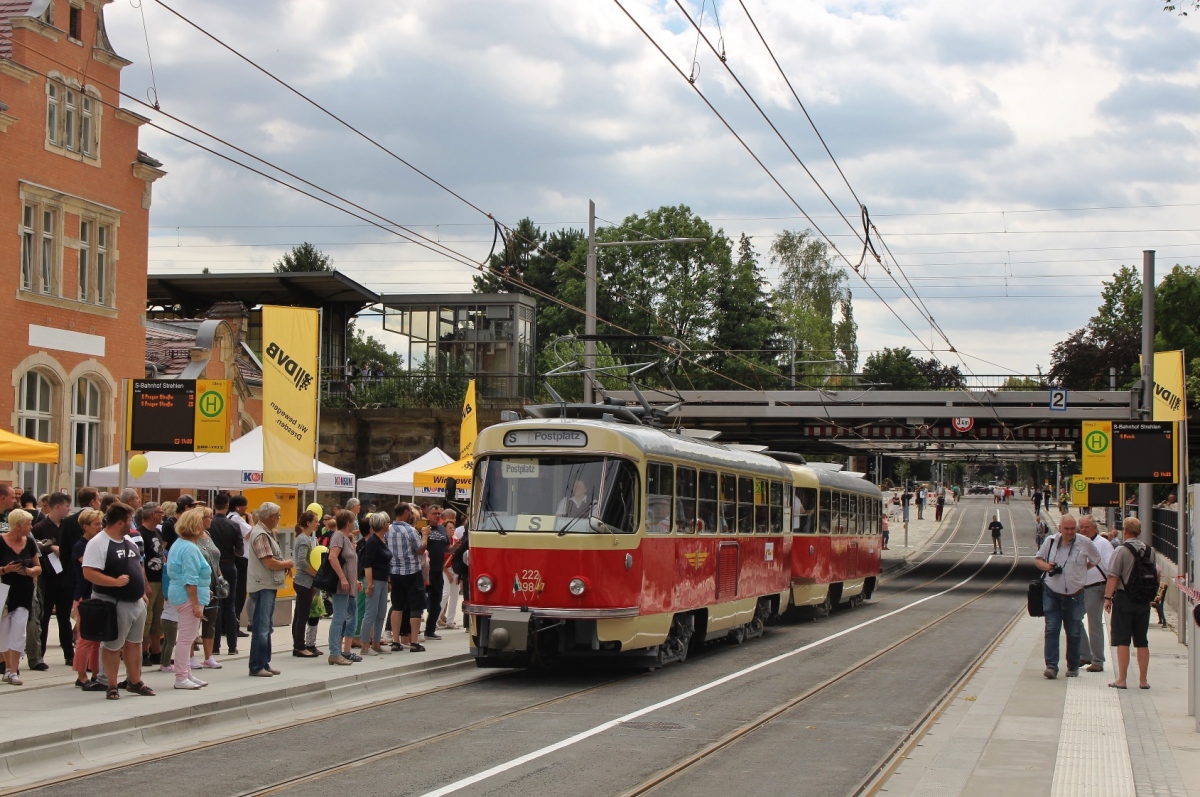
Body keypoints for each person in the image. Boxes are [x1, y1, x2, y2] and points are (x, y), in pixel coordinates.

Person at [82, 503, 155, 699]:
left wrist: (143, 591)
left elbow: (138, 565)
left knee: (135, 643)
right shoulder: (98, 543)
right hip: (113, 601)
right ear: (120, 522)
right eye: (130, 520)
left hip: (136, 602)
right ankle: (111, 684)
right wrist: (114, 582)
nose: (132, 524)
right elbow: (89, 572)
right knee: (113, 645)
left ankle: (134, 680)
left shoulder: (129, 541)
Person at [1035, 515, 1100, 679]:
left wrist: (1081, 571)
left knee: (1073, 632)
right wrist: (1047, 567)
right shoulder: (1050, 541)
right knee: (1051, 629)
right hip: (1052, 592)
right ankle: (1051, 666)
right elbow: (1037, 559)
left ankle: (1072, 666)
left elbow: (1096, 559)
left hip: (1075, 595)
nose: (1070, 532)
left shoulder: (1084, 542)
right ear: (1060, 528)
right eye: (1067, 529)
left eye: (1073, 529)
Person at [1104, 517, 1153, 689]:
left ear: (1125, 530)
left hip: (1125, 598)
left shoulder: (1121, 550)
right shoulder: (1149, 550)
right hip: (1143, 600)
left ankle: (1122, 680)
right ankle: (1143, 680)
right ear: (1139, 532)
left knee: (1123, 640)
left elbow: (1113, 576)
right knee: (1142, 640)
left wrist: (1108, 598)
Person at [165, 509, 211, 690]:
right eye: (200, 522)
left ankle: (186, 673)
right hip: (188, 596)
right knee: (186, 637)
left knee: (188, 636)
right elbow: (190, 578)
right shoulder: (190, 548)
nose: (204, 525)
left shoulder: (180, 543)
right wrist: (195, 604)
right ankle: (181, 676)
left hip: (182, 593)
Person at [246, 502, 293, 677]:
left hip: (267, 584)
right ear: (271, 516)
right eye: (279, 516)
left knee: (266, 626)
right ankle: (257, 665)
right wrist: (286, 563)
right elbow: (269, 562)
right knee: (262, 627)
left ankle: (264, 663)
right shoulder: (261, 535)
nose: (279, 519)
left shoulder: (264, 533)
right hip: (263, 585)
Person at [1, 509, 42, 685]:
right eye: (28, 524)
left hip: (24, 591)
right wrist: (5, 569)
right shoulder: (1, 541)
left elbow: (39, 567)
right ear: (18, 525)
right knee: (3, 632)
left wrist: (30, 571)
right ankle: (7, 667)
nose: (31, 527)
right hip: (3, 591)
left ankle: (12, 670)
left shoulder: (30, 542)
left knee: (19, 631)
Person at [32, 492, 72, 666]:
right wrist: (50, 548)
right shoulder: (40, 527)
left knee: (64, 617)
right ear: (57, 507)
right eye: (66, 506)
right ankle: (39, 655)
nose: (68, 509)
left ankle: (69, 654)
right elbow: (34, 550)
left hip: (65, 576)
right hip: (48, 577)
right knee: (45, 616)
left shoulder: (68, 526)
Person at [71, 509, 106, 689]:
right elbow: (92, 567)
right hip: (84, 596)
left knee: (96, 638)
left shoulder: (98, 543)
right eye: (96, 524)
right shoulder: (80, 545)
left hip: (96, 595)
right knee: (84, 638)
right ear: (85, 526)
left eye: (101, 524)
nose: (100, 527)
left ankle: (95, 673)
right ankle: (81, 674)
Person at [387, 503, 427, 652]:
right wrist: (425, 536)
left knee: (397, 606)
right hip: (411, 571)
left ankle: (395, 640)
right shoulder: (410, 530)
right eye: (410, 511)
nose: (411, 514)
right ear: (405, 513)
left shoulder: (388, 530)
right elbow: (420, 550)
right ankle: (414, 642)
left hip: (395, 572)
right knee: (416, 606)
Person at [1077, 515, 1113, 672]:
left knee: (1094, 624)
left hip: (1095, 587)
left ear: (1095, 528)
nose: (1084, 530)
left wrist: (1109, 594)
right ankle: (1085, 654)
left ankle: (1098, 660)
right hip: (1079, 588)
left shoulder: (1103, 544)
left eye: (1087, 527)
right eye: (1082, 527)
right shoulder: (1077, 542)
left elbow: (1111, 567)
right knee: (1074, 620)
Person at [207, 494, 242, 657]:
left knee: (215, 605)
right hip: (229, 565)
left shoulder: (208, 525)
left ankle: (214, 645)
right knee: (230, 605)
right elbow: (240, 551)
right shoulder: (234, 525)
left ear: (214, 505)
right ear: (227, 506)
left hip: (212, 567)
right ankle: (232, 645)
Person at [326, 510, 360, 666]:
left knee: (350, 617)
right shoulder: (339, 536)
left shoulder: (345, 538)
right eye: (352, 521)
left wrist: (354, 581)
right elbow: (332, 557)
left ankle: (342, 651)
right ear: (347, 522)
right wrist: (343, 578)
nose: (354, 524)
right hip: (342, 586)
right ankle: (334, 652)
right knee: (339, 618)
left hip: (350, 587)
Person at [136, 503, 166, 667]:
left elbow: (160, 553)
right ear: (153, 514)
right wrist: (145, 583)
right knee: (146, 618)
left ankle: (156, 651)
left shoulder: (158, 532)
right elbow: (140, 561)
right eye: (160, 512)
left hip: (160, 578)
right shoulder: (140, 534)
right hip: (150, 579)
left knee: (158, 617)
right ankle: (143, 651)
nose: (162, 515)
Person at [194, 507, 223, 670]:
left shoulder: (208, 535)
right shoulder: (192, 538)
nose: (211, 519)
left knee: (211, 620)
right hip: (199, 583)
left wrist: (220, 576)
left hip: (213, 582)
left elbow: (214, 557)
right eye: (208, 517)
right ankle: (190, 657)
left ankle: (209, 656)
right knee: (194, 621)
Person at [360, 512, 393, 655]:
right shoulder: (373, 542)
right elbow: (368, 564)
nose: (389, 524)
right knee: (370, 613)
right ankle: (365, 645)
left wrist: (389, 580)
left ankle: (376, 642)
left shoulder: (383, 540)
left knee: (381, 613)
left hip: (383, 580)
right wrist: (369, 584)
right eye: (387, 522)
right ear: (382, 524)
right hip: (375, 581)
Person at [290, 510, 320, 658]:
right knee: (302, 615)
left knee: (299, 615)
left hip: (304, 581)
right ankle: (300, 646)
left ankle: (298, 645)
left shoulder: (306, 538)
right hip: (304, 581)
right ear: (308, 523)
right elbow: (301, 561)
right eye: (315, 521)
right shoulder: (304, 540)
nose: (318, 524)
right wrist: (314, 573)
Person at [227, 495, 252, 638]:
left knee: (234, 593)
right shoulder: (236, 518)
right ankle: (234, 623)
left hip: (235, 558)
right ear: (238, 506)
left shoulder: (229, 517)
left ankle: (230, 624)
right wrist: (251, 520)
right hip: (241, 559)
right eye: (245, 506)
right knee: (239, 592)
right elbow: (250, 533)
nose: (246, 509)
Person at [439, 509, 462, 629]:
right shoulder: (442, 541)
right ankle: (436, 618)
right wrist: (447, 574)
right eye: (450, 528)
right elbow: (440, 559)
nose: (452, 530)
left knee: (455, 595)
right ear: (445, 529)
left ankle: (450, 621)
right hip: (444, 569)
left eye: (453, 528)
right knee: (445, 593)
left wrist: (458, 574)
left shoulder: (456, 541)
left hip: (455, 570)